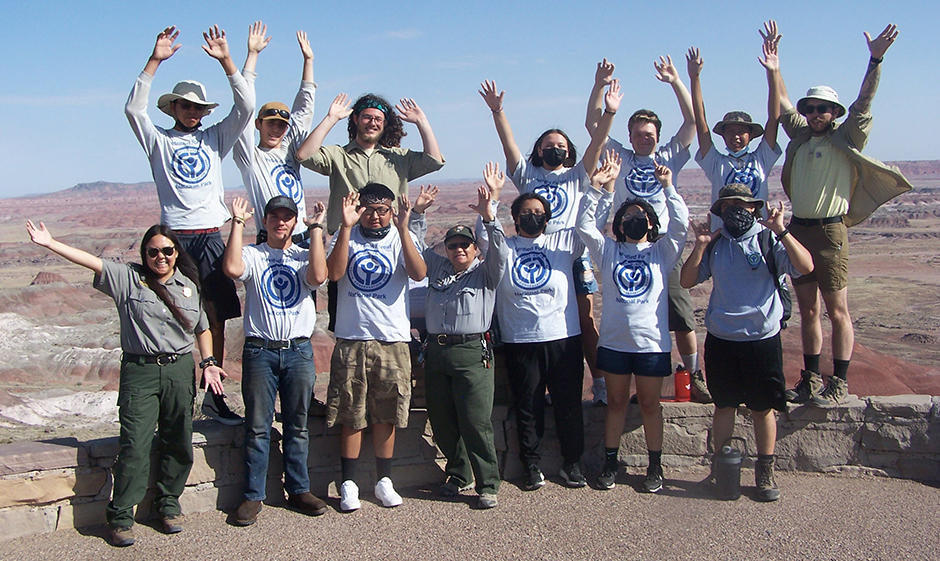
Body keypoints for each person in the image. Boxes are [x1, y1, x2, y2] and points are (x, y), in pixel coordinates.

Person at [26, 220, 226, 547]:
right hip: (141, 371)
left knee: (178, 439)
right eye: (153, 251)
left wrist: (209, 363)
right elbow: (89, 260)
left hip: (179, 371)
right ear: (144, 253)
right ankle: (120, 515)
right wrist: (50, 243)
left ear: (176, 252)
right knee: (135, 443)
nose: (160, 257)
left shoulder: (189, 283)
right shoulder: (128, 279)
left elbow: (203, 327)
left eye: (167, 250)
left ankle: (168, 503)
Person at [762, 21, 911, 405]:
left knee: (837, 310)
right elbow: (782, 106)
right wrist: (774, 69)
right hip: (798, 231)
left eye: (822, 109)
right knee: (808, 312)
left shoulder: (846, 137)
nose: (814, 113)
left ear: (834, 112)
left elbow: (865, 103)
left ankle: (838, 381)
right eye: (810, 108)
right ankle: (810, 379)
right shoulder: (799, 136)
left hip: (830, 233)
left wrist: (875, 59)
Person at [125, 25, 252, 425]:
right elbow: (133, 110)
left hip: (211, 235)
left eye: (197, 107)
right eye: (185, 106)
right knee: (175, 313)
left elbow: (246, 108)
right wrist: (156, 60)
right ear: (173, 109)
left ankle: (213, 395)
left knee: (213, 314)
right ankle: (175, 392)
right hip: (174, 240)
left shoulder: (215, 137)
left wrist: (228, 61)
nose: (192, 112)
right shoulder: (158, 142)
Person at [478, 78, 622, 406]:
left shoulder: (576, 175)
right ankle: (536, 391)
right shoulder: (527, 175)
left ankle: (598, 384)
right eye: (547, 145)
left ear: (568, 150)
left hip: (571, 254)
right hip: (533, 250)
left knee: (583, 322)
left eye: (560, 145)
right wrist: (498, 111)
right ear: (539, 151)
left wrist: (609, 113)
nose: (554, 149)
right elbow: (509, 144)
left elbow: (597, 145)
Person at [680, 184, 814, 501]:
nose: (734, 212)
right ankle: (722, 471)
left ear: (754, 208)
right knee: (724, 406)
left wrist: (781, 231)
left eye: (740, 205)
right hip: (722, 338)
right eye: (727, 207)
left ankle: (765, 473)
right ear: (720, 212)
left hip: (761, 340)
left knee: (762, 407)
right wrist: (699, 246)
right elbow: (687, 281)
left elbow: (806, 266)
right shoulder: (715, 245)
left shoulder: (768, 239)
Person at [586, 56, 708, 402]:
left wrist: (676, 81)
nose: (644, 139)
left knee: (680, 312)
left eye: (650, 134)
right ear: (630, 136)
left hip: (661, 247)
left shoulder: (668, 156)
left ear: (658, 135)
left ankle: (694, 374)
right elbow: (592, 122)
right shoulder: (618, 155)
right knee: (630, 312)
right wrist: (599, 85)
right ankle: (636, 388)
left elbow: (693, 121)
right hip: (625, 245)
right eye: (639, 134)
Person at [578, 156, 689, 493]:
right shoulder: (608, 251)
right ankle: (611, 464)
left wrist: (669, 187)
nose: (634, 221)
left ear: (651, 224)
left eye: (640, 218)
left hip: (651, 344)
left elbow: (682, 225)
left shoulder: (662, 252)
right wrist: (596, 188)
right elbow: (584, 227)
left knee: (650, 405)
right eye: (627, 218)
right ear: (619, 225)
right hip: (614, 343)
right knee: (615, 404)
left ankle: (655, 467)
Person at [222, 195, 329, 525]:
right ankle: (254, 496)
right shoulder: (253, 255)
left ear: (294, 222)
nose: (281, 222)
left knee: (298, 424)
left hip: (297, 350)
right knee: (257, 427)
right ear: (265, 221)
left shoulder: (301, 256)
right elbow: (231, 268)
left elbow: (319, 276)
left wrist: (316, 230)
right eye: (274, 217)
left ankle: (299, 490)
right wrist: (238, 223)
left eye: (287, 217)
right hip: (260, 351)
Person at [478, 175, 590, 491]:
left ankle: (573, 464)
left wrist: (597, 188)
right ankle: (531, 465)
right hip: (521, 340)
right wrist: (492, 200)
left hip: (563, 338)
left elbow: (588, 225)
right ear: (514, 218)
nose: (532, 217)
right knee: (528, 407)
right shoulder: (507, 247)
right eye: (526, 212)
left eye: (539, 212)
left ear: (548, 217)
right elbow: (485, 237)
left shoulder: (563, 243)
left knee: (569, 405)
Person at [407, 168, 508, 509]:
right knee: (442, 417)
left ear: (475, 249)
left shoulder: (486, 273)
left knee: (476, 420)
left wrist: (489, 215)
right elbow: (415, 247)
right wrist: (418, 212)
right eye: (452, 245)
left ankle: (488, 482)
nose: (458, 249)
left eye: (465, 244)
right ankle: (458, 473)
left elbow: (500, 251)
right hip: (436, 352)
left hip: (471, 352)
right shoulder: (437, 269)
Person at [325, 183, 427, 511]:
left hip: (392, 339)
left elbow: (418, 271)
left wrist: (404, 229)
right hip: (352, 337)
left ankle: (384, 481)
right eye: (368, 209)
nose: (375, 216)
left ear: (391, 211)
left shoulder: (400, 237)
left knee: (386, 414)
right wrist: (345, 226)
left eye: (382, 209)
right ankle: (349, 484)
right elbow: (334, 272)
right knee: (350, 414)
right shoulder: (347, 236)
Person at [234, 22, 317, 246]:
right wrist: (252, 56)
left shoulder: (290, 152)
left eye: (281, 126)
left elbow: (303, 112)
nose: (275, 130)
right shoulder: (249, 157)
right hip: (270, 242)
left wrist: (308, 62)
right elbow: (244, 108)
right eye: (270, 123)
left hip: (302, 241)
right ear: (258, 124)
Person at [686, 42, 782, 232]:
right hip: (723, 236)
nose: (736, 137)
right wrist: (694, 78)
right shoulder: (716, 163)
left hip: (758, 236)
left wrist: (773, 73)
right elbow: (701, 120)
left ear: (751, 135)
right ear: (723, 135)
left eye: (741, 132)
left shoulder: (761, 159)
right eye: (730, 131)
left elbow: (774, 118)